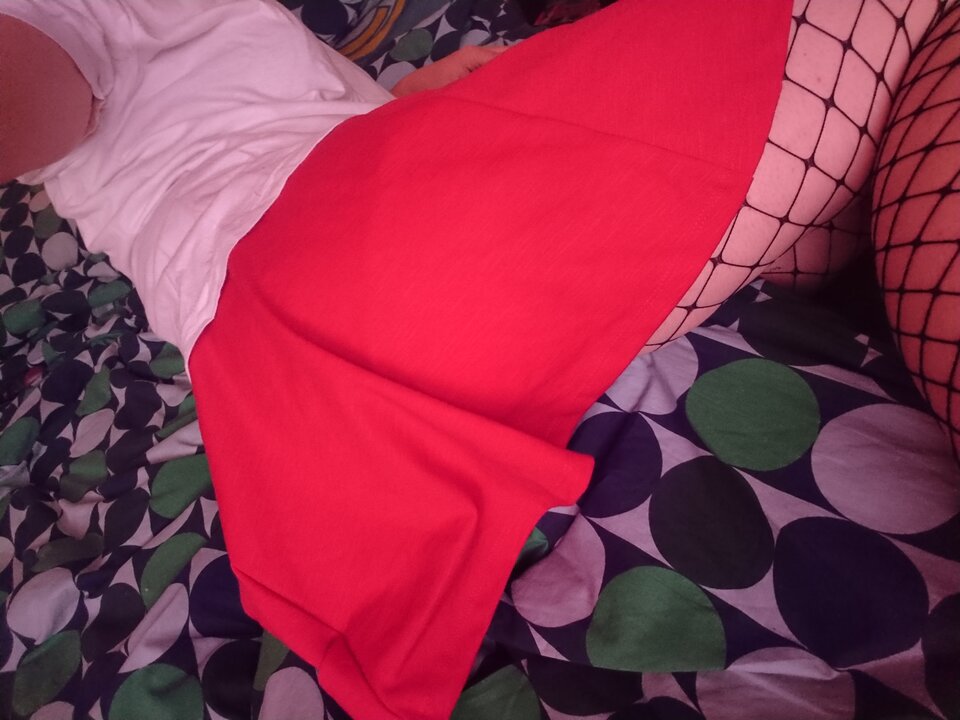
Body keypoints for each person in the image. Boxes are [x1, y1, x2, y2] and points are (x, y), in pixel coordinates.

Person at [0, 1, 945, 717]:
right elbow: (33, 88)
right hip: (345, 261)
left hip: (288, 401)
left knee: (881, 135)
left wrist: (416, 97)